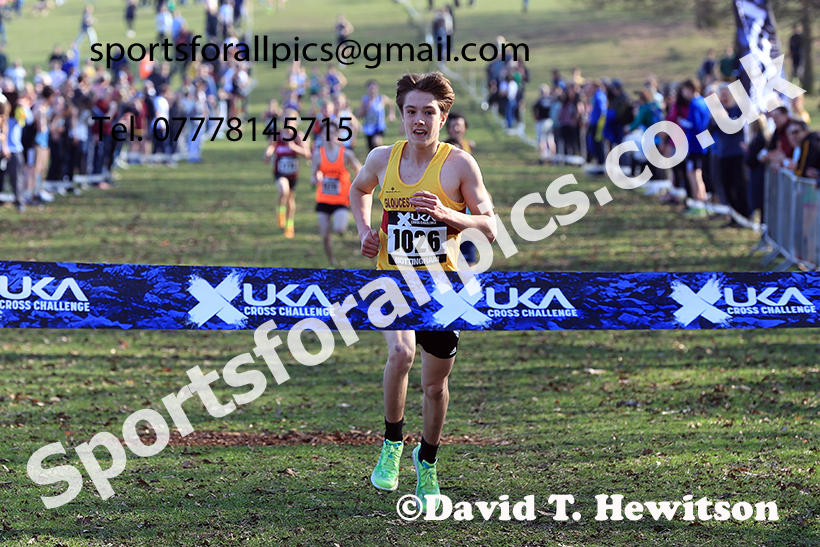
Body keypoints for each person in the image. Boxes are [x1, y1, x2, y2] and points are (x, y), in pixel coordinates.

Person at [349, 72, 496, 516]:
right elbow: (359, 189)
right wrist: (364, 231)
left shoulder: (460, 165)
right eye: (411, 111)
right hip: (392, 279)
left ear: (442, 117)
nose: (419, 120)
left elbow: (490, 226)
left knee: (435, 387)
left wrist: (451, 214)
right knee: (400, 354)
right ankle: (392, 443)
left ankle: (427, 461)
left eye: (428, 112)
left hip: (443, 287)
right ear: (401, 115)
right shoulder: (381, 158)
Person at [310, 120, 362, 266]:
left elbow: (360, 169)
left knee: (339, 229)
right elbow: (313, 176)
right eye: (326, 133)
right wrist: (315, 178)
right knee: (325, 236)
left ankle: (340, 227)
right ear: (321, 135)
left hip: (340, 200)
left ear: (338, 135)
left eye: (332, 133)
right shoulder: (318, 155)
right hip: (323, 199)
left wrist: (356, 186)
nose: (329, 136)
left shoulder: (346, 154)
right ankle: (332, 261)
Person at [264, 109, 311, 238]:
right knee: (283, 190)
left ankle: (289, 225)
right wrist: (268, 153)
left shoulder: (299, 136)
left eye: (290, 121)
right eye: (285, 120)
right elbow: (271, 146)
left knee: (290, 198)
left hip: (293, 173)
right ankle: (280, 211)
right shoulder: (277, 134)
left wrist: (294, 148)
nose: (288, 123)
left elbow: (307, 154)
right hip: (279, 171)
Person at [678, 79, 711, 217]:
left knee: (693, 174)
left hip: (695, 144)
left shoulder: (694, 103)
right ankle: (701, 203)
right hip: (702, 142)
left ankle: (698, 204)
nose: (683, 93)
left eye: (684, 90)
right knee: (698, 173)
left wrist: (683, 122)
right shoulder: (703, 101)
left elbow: (696, 125)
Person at [357, 80, 395, 151]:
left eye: (373, 88)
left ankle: (382, 153)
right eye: (370, 89)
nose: (372, 91)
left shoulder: (381, 98)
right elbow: (359, 115)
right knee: (371, 149)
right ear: (367, 89)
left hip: (379, 126)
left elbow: (391, 104)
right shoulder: (364, 100)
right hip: (369, 127)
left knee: (376, 142)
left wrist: (391, 114)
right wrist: (365, 108)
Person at [532, 84, 555, 164]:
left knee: (542, 140)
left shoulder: (540, 100)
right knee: (550, 139)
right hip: (550, 121)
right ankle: (552, 157)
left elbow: (534, 109)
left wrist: (536, 117)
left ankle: (543, 157)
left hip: (542, 122)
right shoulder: (552, 99)